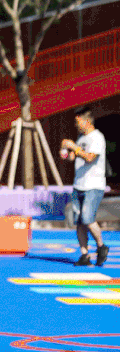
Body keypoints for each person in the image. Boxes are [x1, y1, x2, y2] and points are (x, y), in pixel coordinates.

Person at [60, 106, 109, 267]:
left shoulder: (97, 137)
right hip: (78, 184)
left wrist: (74, 147)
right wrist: (66, 149)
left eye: (77, 121)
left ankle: (101, 246)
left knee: (88, 218)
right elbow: (72, 157)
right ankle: (84, 254)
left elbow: (89, 158)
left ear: (86, 121)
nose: (76, 125)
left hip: (93, 185)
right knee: (80, 221)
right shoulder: (81, 138)